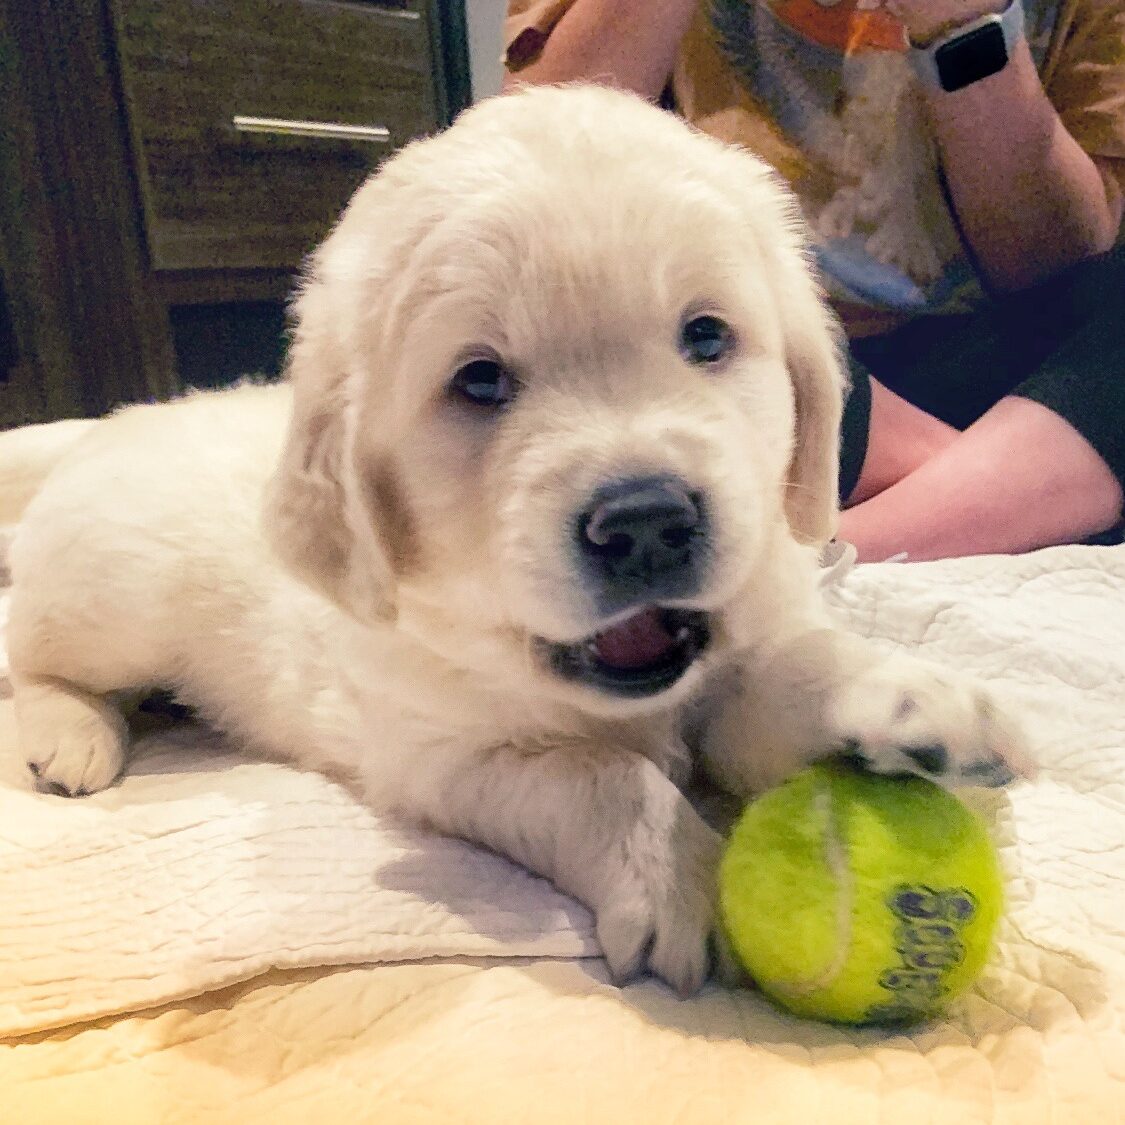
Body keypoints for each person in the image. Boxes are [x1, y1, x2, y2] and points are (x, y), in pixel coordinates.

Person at [503, 0, 1125, 561]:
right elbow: (532, 172)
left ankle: (821, 556)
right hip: (751, 359)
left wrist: (965, 27)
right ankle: (1034, 497)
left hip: (1011, 363)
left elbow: (1055, 268)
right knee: (680, 315)